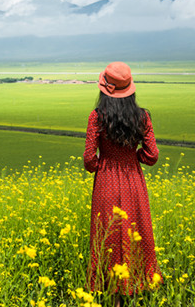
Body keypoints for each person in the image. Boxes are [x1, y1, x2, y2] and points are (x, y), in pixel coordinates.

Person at [83, 61, 162, 302]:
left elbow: (88, 159)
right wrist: (133, 158)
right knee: (135, 232)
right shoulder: (143, 116)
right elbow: (152, 155)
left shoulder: (97, 116)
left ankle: (110, 293)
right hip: (133, 181)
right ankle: (135, 288)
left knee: (107, 234)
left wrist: (102, 165)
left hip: (106, 181)